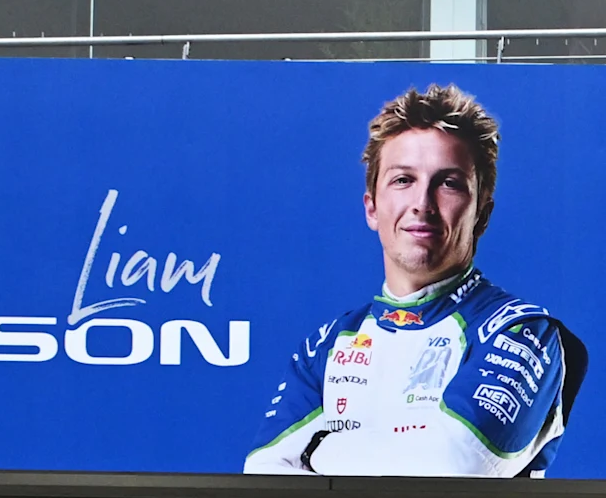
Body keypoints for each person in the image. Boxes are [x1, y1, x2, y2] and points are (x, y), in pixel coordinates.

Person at [246, 84, 574, 477]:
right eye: (403, 180)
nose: (423, 203)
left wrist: (318, 449)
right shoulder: (328, 343)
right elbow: (265, 475)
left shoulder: (521, 330)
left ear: (481, 214)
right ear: (371, 208)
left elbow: (454, 470)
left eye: (449, 183)